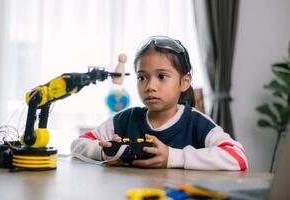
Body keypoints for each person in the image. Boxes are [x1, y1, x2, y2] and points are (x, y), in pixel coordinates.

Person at [71, 35, 247, 170]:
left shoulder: (196, 122)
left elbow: (237, 156)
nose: (149, 86)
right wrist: (104, 152)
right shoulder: (125, 119)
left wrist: (173, 157)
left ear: (184, 81)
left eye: (162, 76)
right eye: (142, 77)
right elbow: (78, 144)